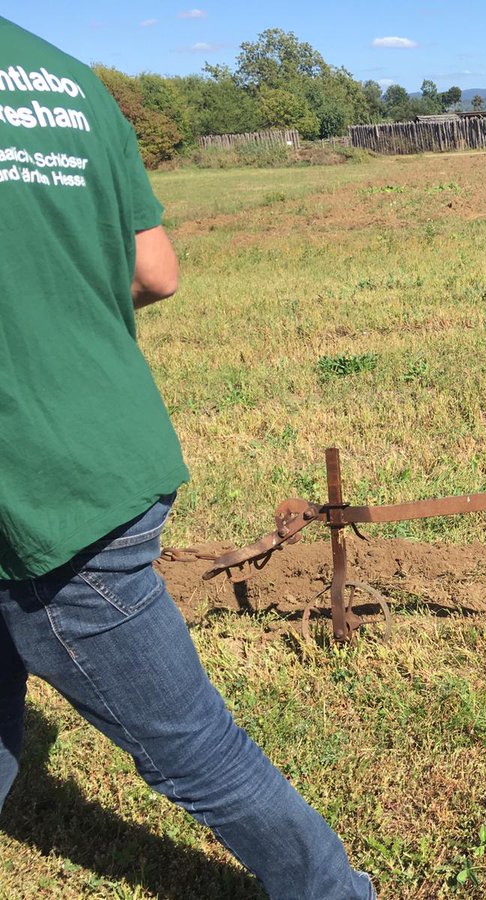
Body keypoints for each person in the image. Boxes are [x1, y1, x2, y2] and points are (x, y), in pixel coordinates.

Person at [0, 16, 374, 897]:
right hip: (104, 450)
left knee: (197, 751)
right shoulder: (67, 83)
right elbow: (156, 269)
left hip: (40, 497)